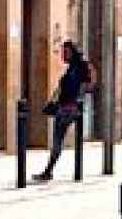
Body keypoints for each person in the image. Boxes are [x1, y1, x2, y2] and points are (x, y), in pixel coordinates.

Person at [33, 40, 89, 181]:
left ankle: (48, 171)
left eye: (65, 51)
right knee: (58, 139)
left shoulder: (78, 68)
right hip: (67, 106)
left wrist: (76, 103)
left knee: (57, 139)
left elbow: (84, 86)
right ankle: (50, 170)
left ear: (72, 52)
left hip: (68, 108)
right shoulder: (74, 67)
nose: (63, 55)